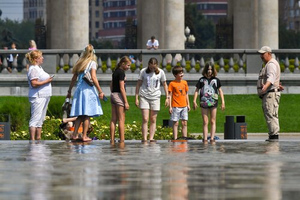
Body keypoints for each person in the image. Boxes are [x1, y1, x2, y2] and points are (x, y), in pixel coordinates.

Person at [67, 44, 104, 142]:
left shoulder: (79, 63)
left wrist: (69, 90)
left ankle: (74, 135)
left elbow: (73, 78)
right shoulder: (92, 63)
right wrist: (100, 91)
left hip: (79, 90)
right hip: (88, 90)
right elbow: (94, 78)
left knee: (80, 114)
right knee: (87, 114)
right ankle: (84, 136)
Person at [135, 57, 169, 142]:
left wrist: (167, 97)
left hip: (155, 97)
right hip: (144, 96)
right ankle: (144, 138)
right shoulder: (143, 71)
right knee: (145, 118)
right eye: (151, 67)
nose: (152, 69)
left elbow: (164, 84)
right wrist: (136, 97)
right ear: (148, 65)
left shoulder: (161, 72)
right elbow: (138, 84)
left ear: (157, 65)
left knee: (153, 118)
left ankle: (151, 137)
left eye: (154, 67)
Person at [193, 62, 225, 144]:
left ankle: (212, 138)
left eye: (211, 69)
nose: (209, 71)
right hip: (203, 102)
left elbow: (220, 91)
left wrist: (223, 102)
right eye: (208, 69)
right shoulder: (201, 80)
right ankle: (205, 138)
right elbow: (197, 90)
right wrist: (194, 101)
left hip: (213, 102)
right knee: (205, 121)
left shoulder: (216, 80)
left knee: (212, 120)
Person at [26, 50, 53, 140]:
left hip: (44, 95)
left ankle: (38, 138)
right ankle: (32, 140)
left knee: (41, 119)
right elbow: (34, 83)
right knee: (35, 118)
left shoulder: (39, 68)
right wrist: (47, 81)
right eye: (41, 57)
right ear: (35, 59)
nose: (42, 58)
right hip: (38, 96)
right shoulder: (33, 69)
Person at [257, 46, 282, 141]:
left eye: (263, 54)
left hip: (270, 94)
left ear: (269, 53)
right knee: (270, 114)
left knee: (271, 114)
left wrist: (265, 86)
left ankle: (274, 137)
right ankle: (273, 135)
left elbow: (271, 77)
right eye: (260, 54)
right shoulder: (269, 64)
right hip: (270, 94)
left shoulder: (271, 64)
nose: (261, 56)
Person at [110, 56, 131, 144]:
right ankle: (122, 140)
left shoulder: (115, 72)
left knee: (113, 119)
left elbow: (111, 84)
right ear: (123, 64)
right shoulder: (121, 73)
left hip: (113, 94)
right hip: (119, 95)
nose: (129, 67)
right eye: (128, 65)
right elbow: (122, 88)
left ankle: (112, 139)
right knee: (121, 119)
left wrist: (113, 93)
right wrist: (126, 102)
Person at [168, 66, 190, 140]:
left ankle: (184, 137)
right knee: (176, 123)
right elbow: (170, 95)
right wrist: (170, 106)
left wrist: (188, 104)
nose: (181, 75)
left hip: (184, 105)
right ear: (175, 75)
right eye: (180, 73)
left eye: (182, 73)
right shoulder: (172, 83)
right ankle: (175, 138)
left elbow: (186, 94)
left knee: (184, 123)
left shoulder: (184, 82)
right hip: (176, 106)